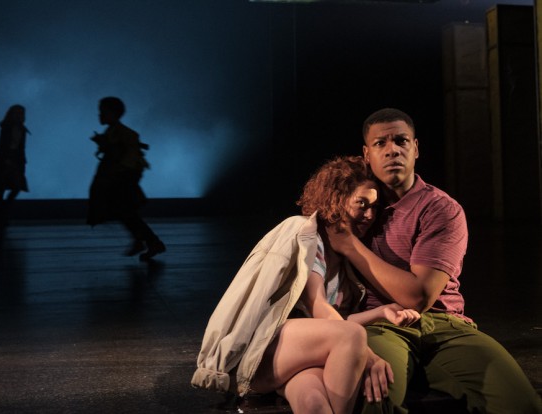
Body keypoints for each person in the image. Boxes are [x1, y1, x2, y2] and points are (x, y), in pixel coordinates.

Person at [326, 108, 542, 414]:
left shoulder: (441, 209)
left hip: (444, 325)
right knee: (376, 400)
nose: (393, 150)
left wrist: (351, 247)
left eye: (401, 141)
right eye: (380, 143)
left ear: (416, 148)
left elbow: (419, 297)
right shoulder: (353, 207)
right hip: (380, 324)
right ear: (366, 154)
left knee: (521, 403)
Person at [192, 156, 421, 414]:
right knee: (354, 337)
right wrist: (371, 358)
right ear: (336, 199)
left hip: (294, 357)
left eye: (374, 207)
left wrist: (381, 312)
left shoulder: (343, 260)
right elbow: (321, 309)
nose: (369, 214)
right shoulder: (306, 235)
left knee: (313, 403)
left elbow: (329, 324)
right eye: (361, 204)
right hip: (263, 354)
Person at [87, 96, 165, 261]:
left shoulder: (124, 134)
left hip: (121, 178)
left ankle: (150, 242)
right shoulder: (114, 132)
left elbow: (128, 157)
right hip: (118, 177)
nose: (99, 115)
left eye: (103, 112)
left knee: (125, 212)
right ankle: (146, 241)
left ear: (113, 113)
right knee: (125, 213)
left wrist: (118, 174)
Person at [0, 104, 29, 237]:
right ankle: (0, 219)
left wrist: (21, 161)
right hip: (2, 159)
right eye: (16, 113)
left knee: (16, 187)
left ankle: (3, 214)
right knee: (0, 191)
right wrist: (6, 160)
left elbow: (20, 147)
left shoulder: (22, 130)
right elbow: (4, 144)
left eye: (21, 113)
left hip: (15, 160)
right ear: (11, 114)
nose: (19, 115)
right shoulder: (6, 127)